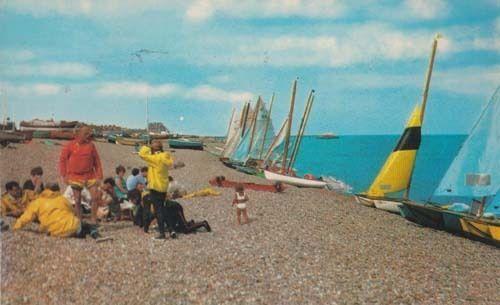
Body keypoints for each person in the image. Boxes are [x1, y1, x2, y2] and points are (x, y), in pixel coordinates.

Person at [13, 183, 100, 239]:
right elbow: (72, 212)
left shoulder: (37, 202)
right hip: (73, 227)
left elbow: (26, 217)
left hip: (54, 232)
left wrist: (16, 227)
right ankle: (95, 235)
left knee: (80, 228)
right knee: (86, 226)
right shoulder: (62, 199)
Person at [59, 126, 103, 223]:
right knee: (77, 200)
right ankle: (79, 220)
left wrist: (99, 176)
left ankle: (93, 218)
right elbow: (62, 160)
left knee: (95, 197)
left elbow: (97, 161)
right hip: (75, 176)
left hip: (90, 175)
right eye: (86, 134)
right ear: (78, 134)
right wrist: (64, 175)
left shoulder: (91, 146)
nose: (88, 136)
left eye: (89, 134)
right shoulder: (70, 145)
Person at [138, 140, 175, 239]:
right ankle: (171, 230)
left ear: (154, 149)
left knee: (158, 211)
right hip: (163, 187)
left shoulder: (155, 158)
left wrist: (147, 146)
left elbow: (141, 154)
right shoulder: (165, 156)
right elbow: (171, 163)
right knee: (162, 209)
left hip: (155, 187)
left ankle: (162, 233)